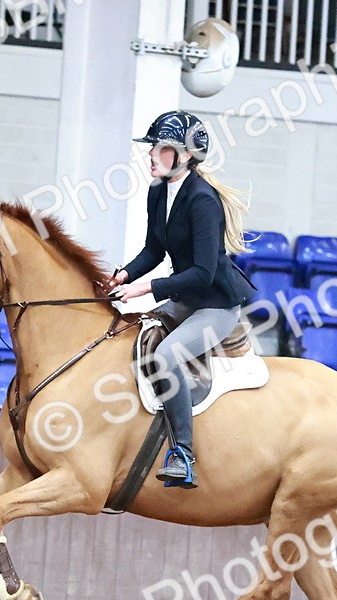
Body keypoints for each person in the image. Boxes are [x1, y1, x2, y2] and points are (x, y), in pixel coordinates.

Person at [108, 110, 255, 489]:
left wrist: (145, 289)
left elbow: (203, 274)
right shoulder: (158, 192)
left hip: (214, 303)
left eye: (161, 149)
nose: (151, 155)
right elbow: (154, 250)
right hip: (185, 295)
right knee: (133, 336)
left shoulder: (203, 201)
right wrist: (123, 275)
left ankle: (183, 455)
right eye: (153, 148)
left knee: (165, 355)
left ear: (185, 155)